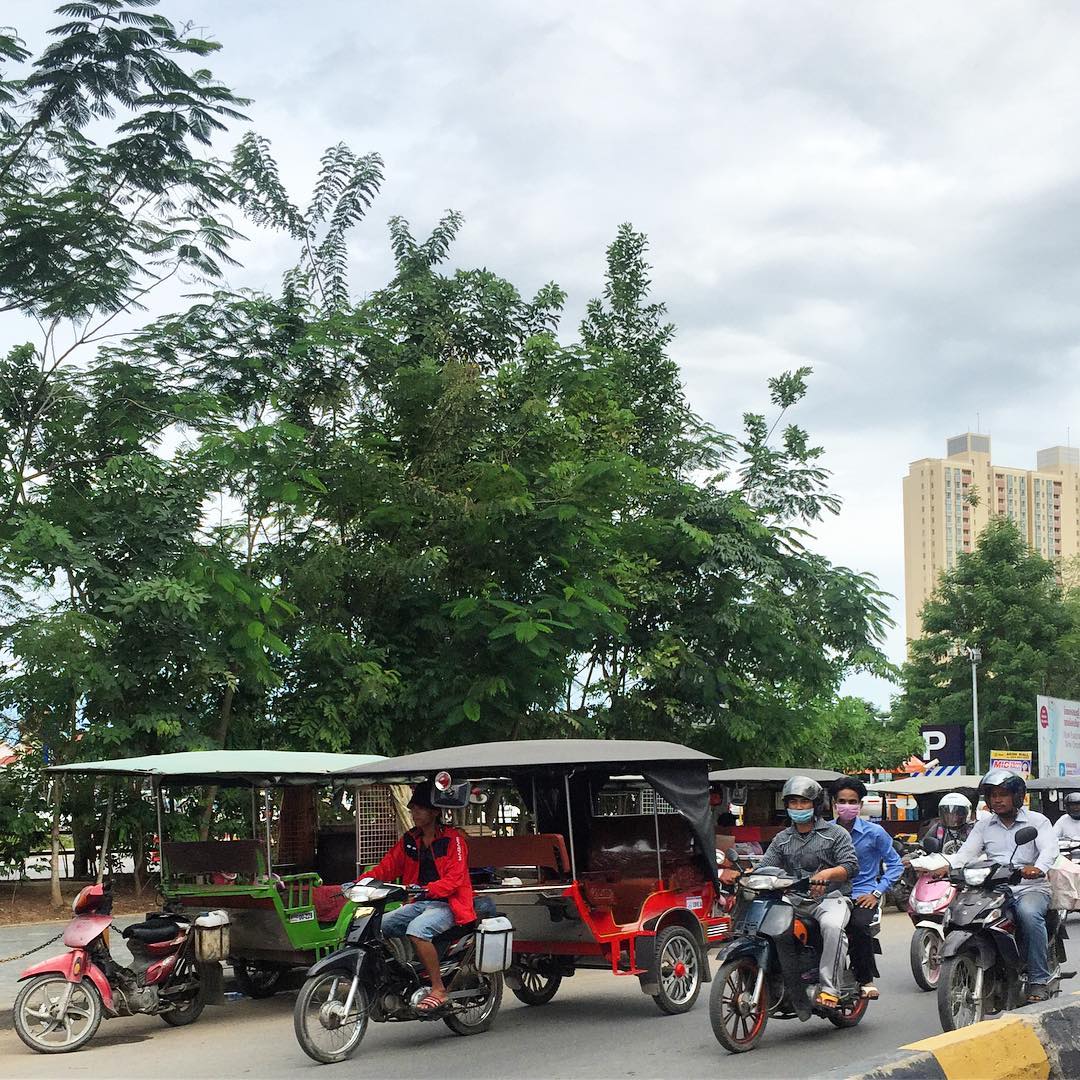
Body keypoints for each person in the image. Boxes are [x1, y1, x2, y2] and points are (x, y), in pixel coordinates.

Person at [944, 769, 1059, 1003]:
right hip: (994, 888)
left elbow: (1049, 849)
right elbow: (965, 853)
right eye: (993, 795)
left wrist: (1038, 868)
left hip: (1030, 887)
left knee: (1028, 915)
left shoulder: (1037, 821)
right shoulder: (984, 826)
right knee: (968, 914)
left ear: (1017, 796)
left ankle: (1038, 979)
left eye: (1003, 794)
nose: (997, 800)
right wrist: (946, 867)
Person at [366, 782, 476, 1011]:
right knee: (376, 926)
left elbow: (455, 879)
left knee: (418, 930)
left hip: (449, 904)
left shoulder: (453, 839)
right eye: (413, 809)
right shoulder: (410, 839)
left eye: (420, 809)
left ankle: (438, 988)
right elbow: (386, 868)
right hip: (419, 902)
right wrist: (360, 882)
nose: (414, 813)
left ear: (434, 812)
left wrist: (428, 889)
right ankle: (403, 974)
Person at [757, 776, 859, 1008]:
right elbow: (765, 866)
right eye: (793, 802)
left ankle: (830, 988)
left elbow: (851, 866)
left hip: (831, 899)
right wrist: (744, 874)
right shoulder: (782, 839)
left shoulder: (836, 834)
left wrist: (827, 874)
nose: (798, 807)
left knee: (832, 928)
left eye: (804, 802)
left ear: (816, 805)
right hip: (793, 900)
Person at [830, 776, 903, 1000]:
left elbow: (895, 865)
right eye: (842, 801)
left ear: (860, 805)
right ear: (834, 804)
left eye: (852, 802)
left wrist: (876, 892)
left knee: (858, 926)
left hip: (863, 895)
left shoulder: (875, 833)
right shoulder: (824, 832)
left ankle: (865, 979)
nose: (847, 806)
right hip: (830, 896)